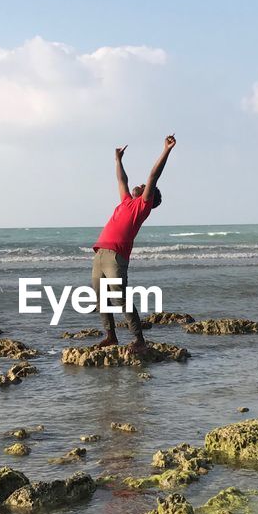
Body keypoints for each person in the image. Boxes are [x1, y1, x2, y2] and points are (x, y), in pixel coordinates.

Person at [91, 134, 176, 352]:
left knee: (120, 298)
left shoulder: (142, 207)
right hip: (100, 253)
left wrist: (166, 149)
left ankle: (139, 340)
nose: (138, 185)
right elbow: (122, 181)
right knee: (101, 299)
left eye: (143, 187)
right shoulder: (127, 201)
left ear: (149, 198)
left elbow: (153, 176)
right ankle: (110, 336)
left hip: (116, 256)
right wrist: (118, 160)